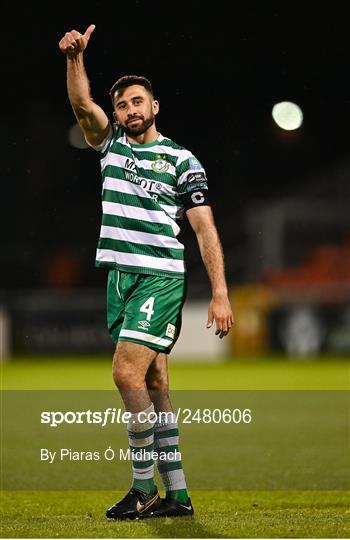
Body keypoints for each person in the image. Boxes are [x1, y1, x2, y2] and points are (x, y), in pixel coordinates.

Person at [59, 24, 234, 520]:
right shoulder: (110, 144)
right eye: (122, 105)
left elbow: (204, 229)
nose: (130, 110)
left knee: (124, 373)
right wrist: (75, 59)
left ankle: (142, 489)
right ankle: (177, 493)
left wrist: (220, 291)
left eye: (139, 101)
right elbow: (79, 105)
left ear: (154, 106)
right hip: (120, 278)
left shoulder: (182, 160)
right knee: (155, 384)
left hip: (160, 277)